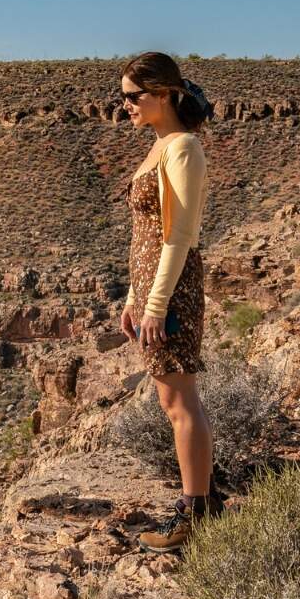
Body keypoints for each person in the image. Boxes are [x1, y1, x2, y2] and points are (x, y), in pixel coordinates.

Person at [113, 51, 226, 553]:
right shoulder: (159, 147)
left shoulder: (182, 148)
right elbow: (145, 231)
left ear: (164, 94)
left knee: (180, 401)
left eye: (134, 97)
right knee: (171, 398)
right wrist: (133, 296)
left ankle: (195, 513)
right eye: (123, 99)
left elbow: (179, 236)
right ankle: (204, 501)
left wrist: (156, 303)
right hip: (152, 289)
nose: (126, 107)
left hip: (172, 289)